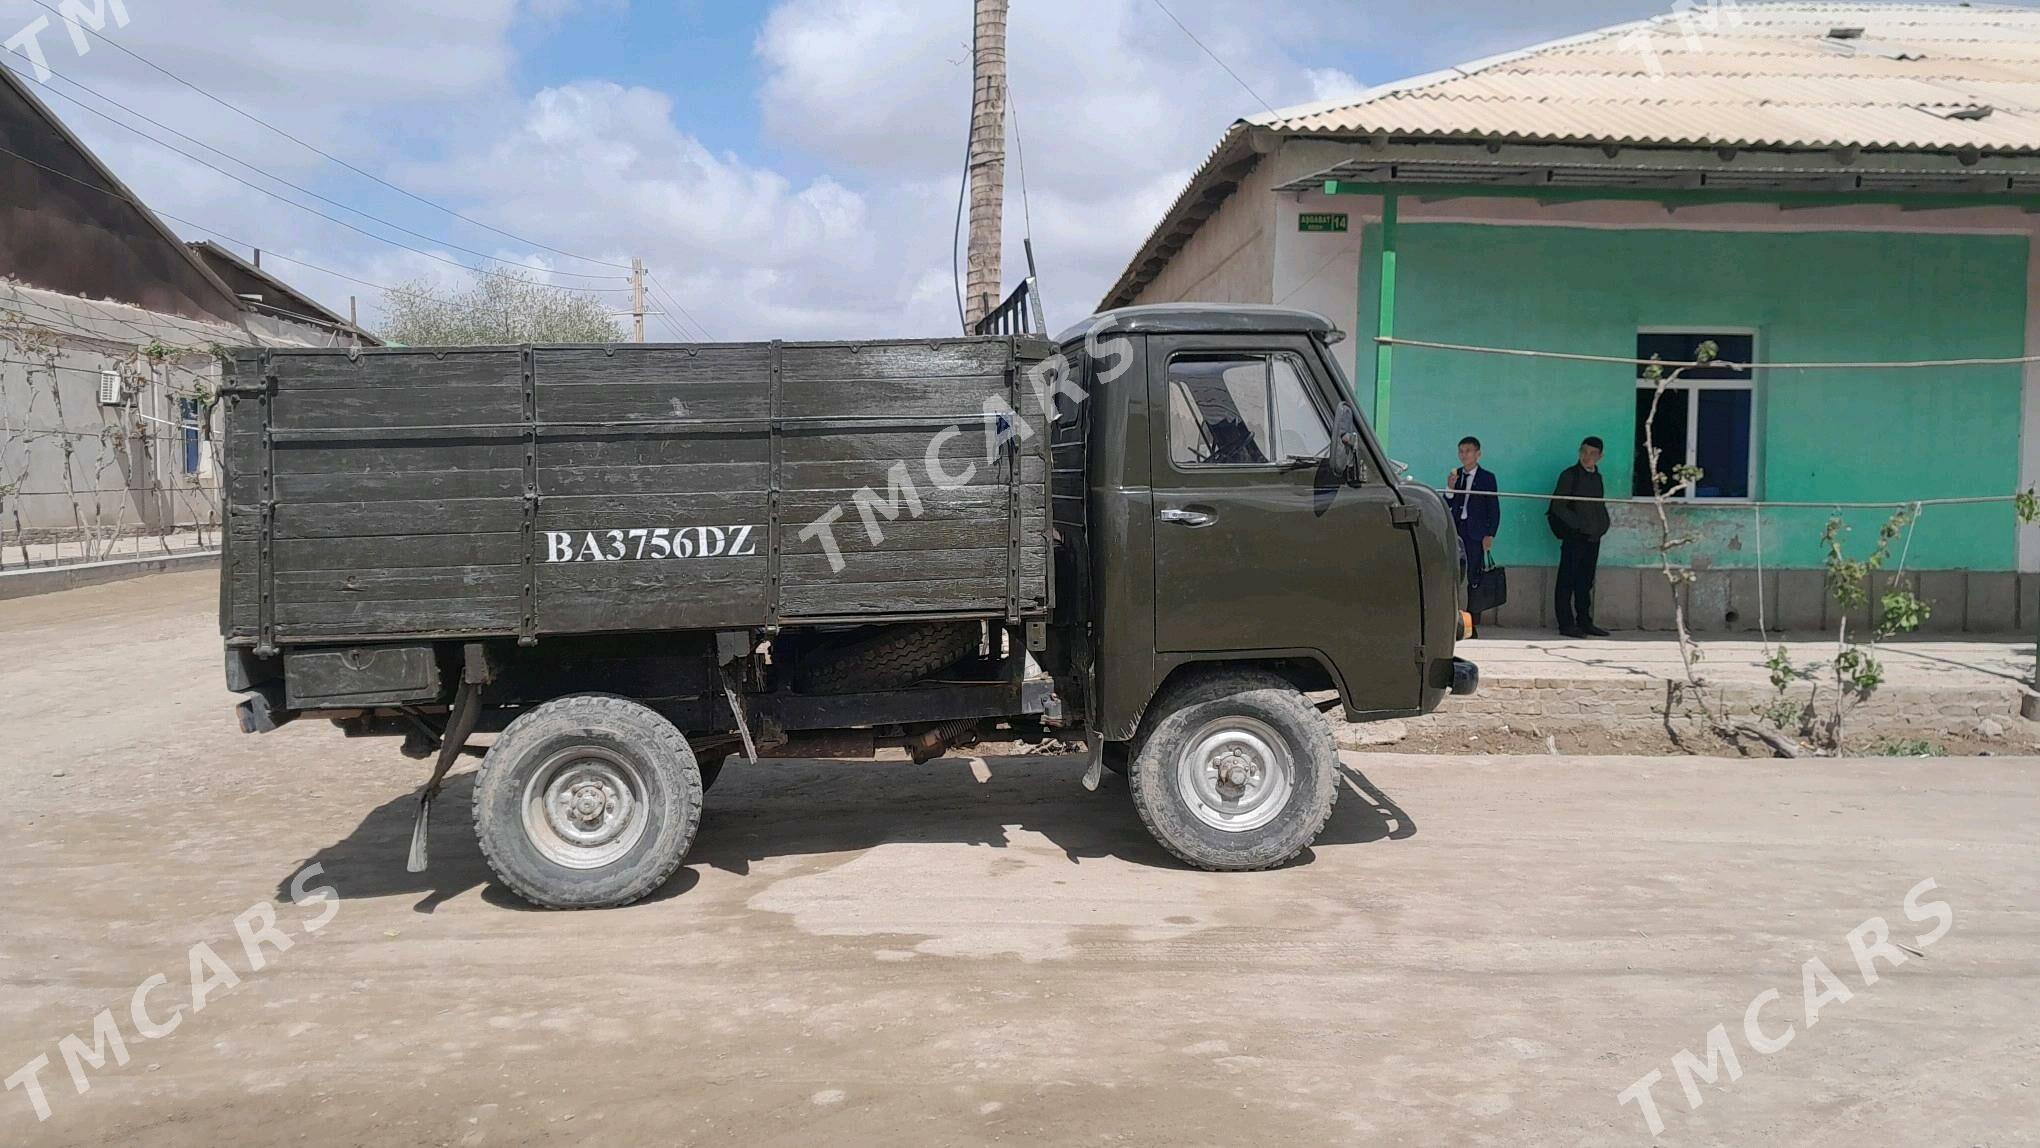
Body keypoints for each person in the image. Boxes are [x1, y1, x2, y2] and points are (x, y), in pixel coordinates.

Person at [1547, 436, 1610, 638]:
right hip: (1575, 537)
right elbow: (1558, 506)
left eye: (1592, 453)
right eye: (1584, 451)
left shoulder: (1597, 478)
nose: (1587, 456)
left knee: (1585, 582)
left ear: (1599, 456)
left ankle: (1584, 621)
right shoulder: (1570, 475)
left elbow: (1598, 505)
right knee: (1567, 581)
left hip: (1593, 538)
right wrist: (1579, 525)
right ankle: (1566, 624)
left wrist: (1603, 525)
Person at [1444, 436, 1499, 636]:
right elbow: (1447, 504)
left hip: (1476, 533)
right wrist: (1450, 488)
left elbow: (1493, 508)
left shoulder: (1487, 477)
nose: (1464, 455)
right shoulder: (1455, 475)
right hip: (1459, 530)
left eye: (1468, 451)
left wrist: (1490, 533)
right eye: (1461, 451)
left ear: (1478, 454)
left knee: (1474, 578)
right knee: (1455, 575)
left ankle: (1473, 623)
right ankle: (1454, 619)